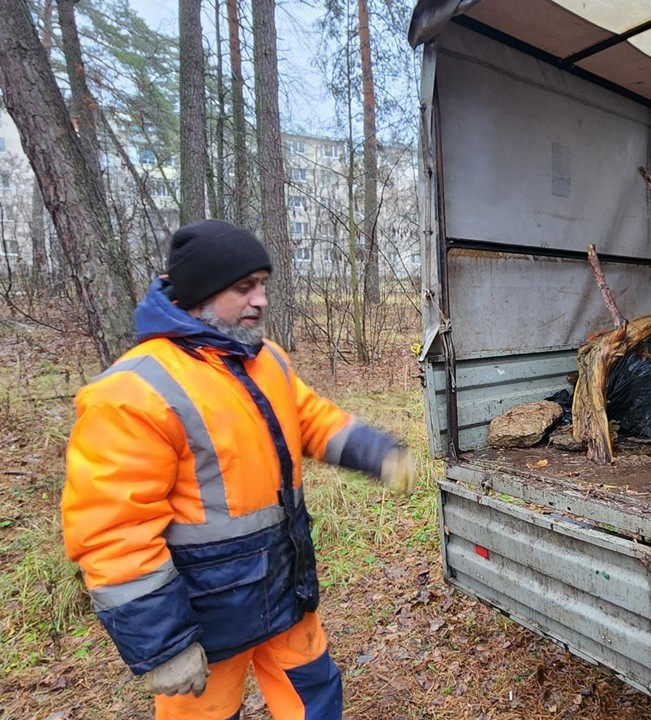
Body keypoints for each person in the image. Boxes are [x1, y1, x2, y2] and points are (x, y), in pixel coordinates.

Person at [61, 219, 416, 720]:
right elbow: (113, 532)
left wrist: (376, 453)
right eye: (244, 287)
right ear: (200, 293)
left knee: (314, 698)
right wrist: (166, 644)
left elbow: (309, 419)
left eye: (263, 284)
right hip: (207, 616)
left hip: (285, 586)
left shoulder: (264, 359)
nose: (261, 300)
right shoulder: (132, 392)